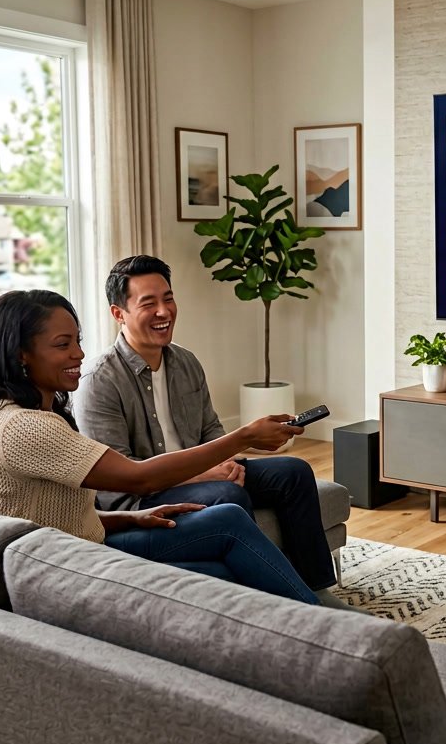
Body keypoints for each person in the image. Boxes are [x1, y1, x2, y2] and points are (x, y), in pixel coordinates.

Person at [0, 289, 319, 605]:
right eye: (62, 345)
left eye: (77, 341)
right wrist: (244, 437)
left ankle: (312, 614)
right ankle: (322, 628)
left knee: (224, 544)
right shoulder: (25, 427)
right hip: (66, 567)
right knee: (224, 547)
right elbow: (139, 479)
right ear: (22, 354)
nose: (78, 354)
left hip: (76, 548)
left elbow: (47, 518)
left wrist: (130, 519)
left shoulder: (21, 415)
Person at [74, 256, 340, 601]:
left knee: (293, 471)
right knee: (228, 496)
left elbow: (211, 429)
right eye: (148, 303)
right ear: (118, 313)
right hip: (144, 495)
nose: (163, 311)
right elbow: (120, 480)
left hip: (199, 471)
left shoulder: (185, 362)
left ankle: (316, 588)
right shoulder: (99, 381)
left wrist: (226, 462)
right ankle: (262, 598)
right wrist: (204, 475)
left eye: (168, 299)